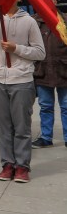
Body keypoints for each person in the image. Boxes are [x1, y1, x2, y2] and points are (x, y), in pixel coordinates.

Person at [0, 0, 45, 183]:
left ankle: (22, 166)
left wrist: (17, 48)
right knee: (4, 127)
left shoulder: (29, 21)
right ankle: (7, 164)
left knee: (21, 126)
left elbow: (40, 52)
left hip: (21, 79)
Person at [32, 16, 67, 148]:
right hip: (43, 71)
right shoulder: (34, 22)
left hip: (64, 70)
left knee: (66, 106)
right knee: (45, 106)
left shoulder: (64, 20)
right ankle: (46, 138)